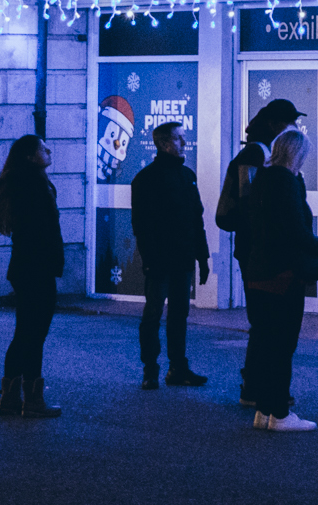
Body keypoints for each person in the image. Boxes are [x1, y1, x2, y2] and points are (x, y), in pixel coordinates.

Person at [215, 97, 302, 404]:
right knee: (267, 322)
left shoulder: (260, 153)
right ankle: (257, 387)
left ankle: (257, 385)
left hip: (257, 250)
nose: (294, 127)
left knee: (264, 322)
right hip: (258, 252)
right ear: (273, 124)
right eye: (289, 122)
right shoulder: (256, 155)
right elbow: (252, 204)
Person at [238, 127, 318, 432]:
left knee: (264, 340)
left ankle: (263, 411)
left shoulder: (261, 178)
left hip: (258, 270)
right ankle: (279, 413)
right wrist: (317, 245)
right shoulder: (286, 181)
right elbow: (295, 227)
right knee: (283, 344)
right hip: (282, 274)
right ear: (296, 153)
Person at [129, 121, 210, 389]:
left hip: (182, 258)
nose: (184, 143)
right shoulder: (147, 179)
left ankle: (177, 368)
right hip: (162, 260)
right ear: (165, 143)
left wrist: (202, 256)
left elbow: (196, 219)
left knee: (178, 314)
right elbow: (142, 225)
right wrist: (150, 262)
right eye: (179, 138)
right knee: (154, 314)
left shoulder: (186, 175)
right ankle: (151, 368)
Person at [0, 133, 65, 418]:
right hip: (37, 267)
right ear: (30, 156)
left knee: (25, 332)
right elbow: (42, 231)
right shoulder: (34, 186)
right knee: (34, 334)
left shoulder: (23, 183)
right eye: (42, 147)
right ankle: (32, 400)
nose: (49, 150)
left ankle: (10, 398)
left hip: (25, 267)